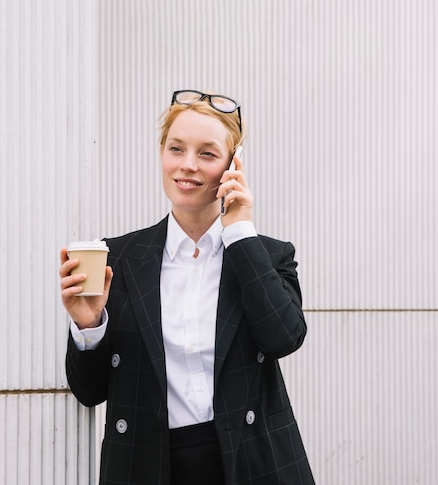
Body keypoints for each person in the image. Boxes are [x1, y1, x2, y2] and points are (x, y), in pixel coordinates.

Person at [59, 89, 315, 485]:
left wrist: (241, 231)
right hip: (148, 466)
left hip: (251, 464)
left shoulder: (267, 255)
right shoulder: (120, 259)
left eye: (208, 154)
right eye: (176, 148)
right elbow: (90, 392)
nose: (187, 166)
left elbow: (283, 338)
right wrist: (90, 327)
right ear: (161, 152)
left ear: (235, 164)